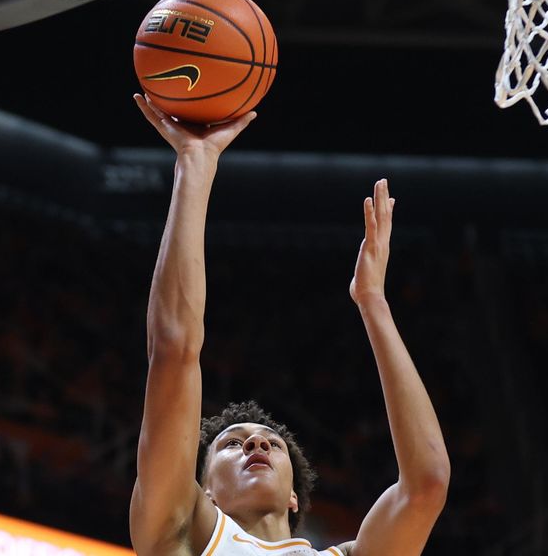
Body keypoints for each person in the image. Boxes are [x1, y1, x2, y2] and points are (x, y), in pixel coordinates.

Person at [128, 94, 451, 556]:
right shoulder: (182, 531)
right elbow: (175, 348)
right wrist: (195, 165)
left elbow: (427, 484)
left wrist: (373, 301)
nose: (255, 442)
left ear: (295, 495)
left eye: (270, 444)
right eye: (231, 446)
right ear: (205, 491)